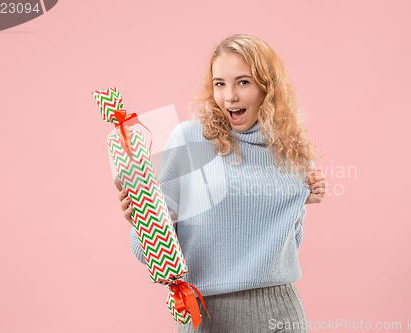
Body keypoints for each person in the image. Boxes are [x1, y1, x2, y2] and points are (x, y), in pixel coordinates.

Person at [117, 34, 326, 332]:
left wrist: (301, 197)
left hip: (280, 313)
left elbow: (288, 244)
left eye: (243, 82)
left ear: (268, 87)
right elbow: (147, 251)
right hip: (207, 316)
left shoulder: (292, 150)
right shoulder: (189, 140)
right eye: (220, 84)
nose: (229, 96)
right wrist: (142, 220)